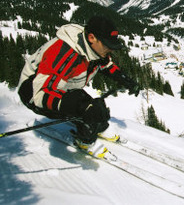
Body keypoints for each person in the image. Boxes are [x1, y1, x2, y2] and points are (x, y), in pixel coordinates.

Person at [18, 16, 140, 158]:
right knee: (85, 108)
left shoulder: (94, 49)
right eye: (107, 45)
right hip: (34, 93)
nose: (110, 50)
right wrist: (80, 108)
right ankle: (85, 141)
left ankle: (97, 125)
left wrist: (126, 80)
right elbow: (40, 94)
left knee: (92, 107)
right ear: (92, 37)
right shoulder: (64, 53)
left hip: (61, 87)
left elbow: (105, 65)